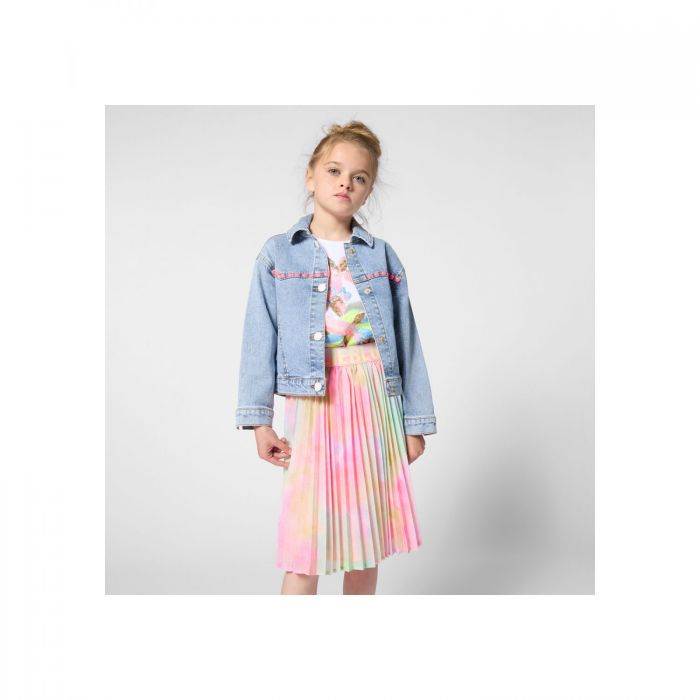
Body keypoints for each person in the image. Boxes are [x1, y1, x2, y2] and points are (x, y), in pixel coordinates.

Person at [235, 120, 437, 594]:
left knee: (366, 538)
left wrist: (414, 423)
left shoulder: (382, 256)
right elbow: (258, 338)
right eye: (334, 170)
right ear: (311, 177)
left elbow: (406, 340)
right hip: (314, 402)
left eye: (359, 177)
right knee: (305, 541)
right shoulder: (278, 255)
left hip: (373, 401)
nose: (346, 182)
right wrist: (259, 421)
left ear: (368, 191)